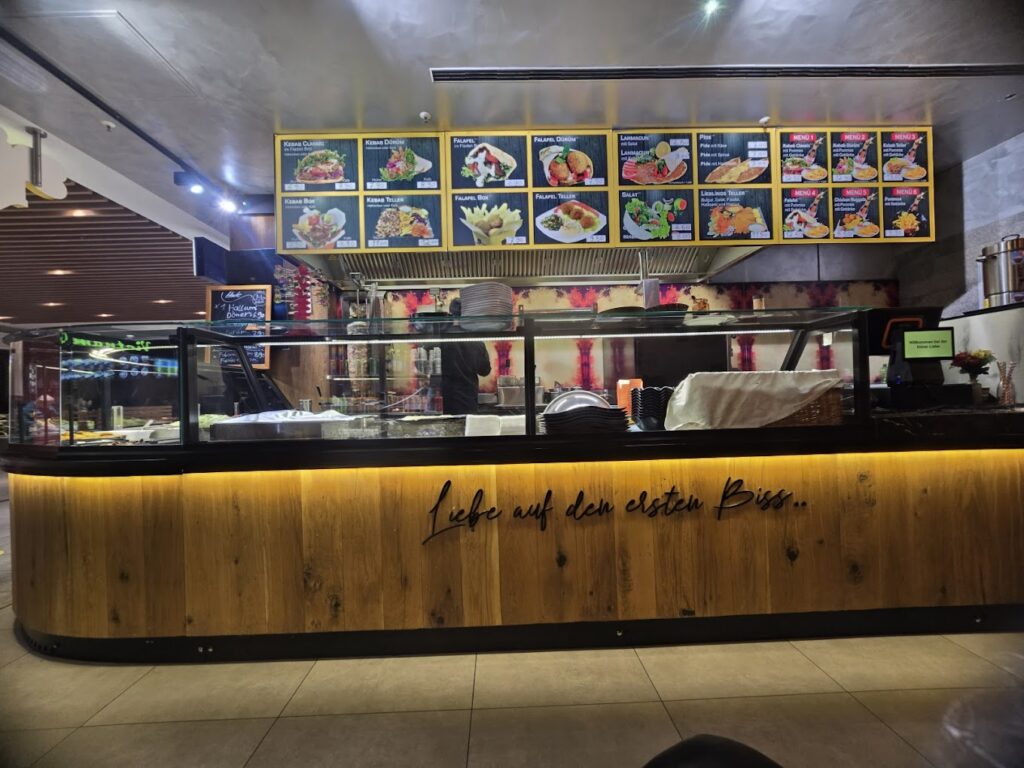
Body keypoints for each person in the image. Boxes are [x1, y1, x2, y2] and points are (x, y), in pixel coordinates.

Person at [440, 299, 491, 415]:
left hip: (445, 399)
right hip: (468, 399)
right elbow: (485, 370)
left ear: (451, 314)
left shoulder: (442, 336)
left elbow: (424, 364)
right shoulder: (476, 339)